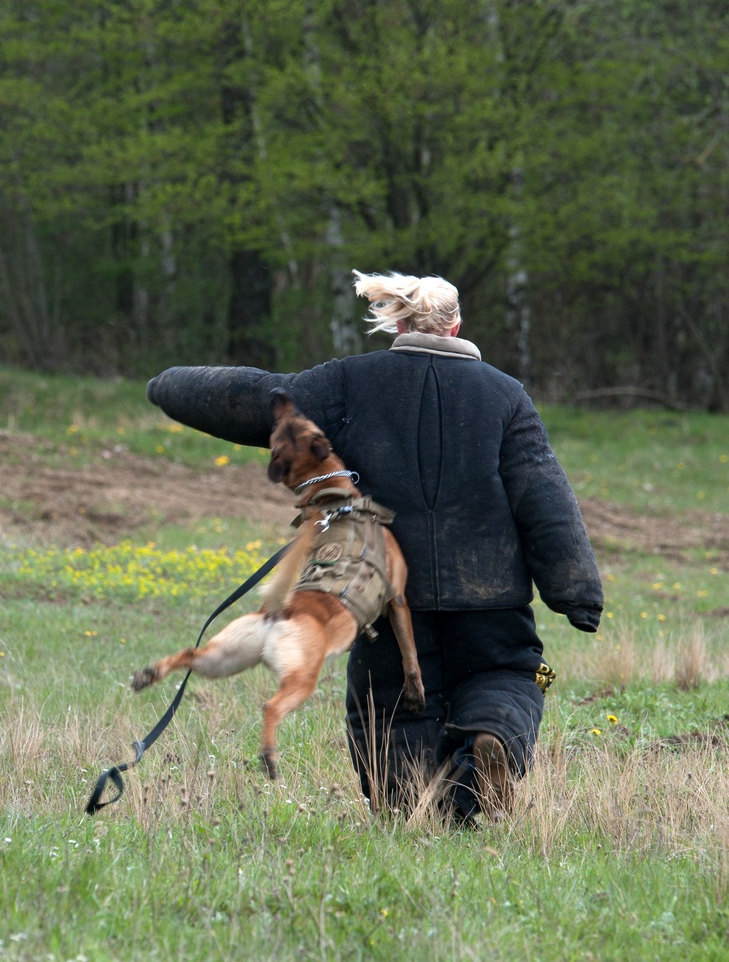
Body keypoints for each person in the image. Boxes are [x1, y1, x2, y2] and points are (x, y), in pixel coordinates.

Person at [146, 270, 602, 822]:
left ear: (399, 322)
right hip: (492, 600)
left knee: (389, 711)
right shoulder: (506, 395)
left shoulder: (349, 382)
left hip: (379, 592)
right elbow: (543, 494)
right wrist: (576, 592)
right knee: (518, 677)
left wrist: (166, 385)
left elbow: (256, 399)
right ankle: (495, 739)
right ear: (457, 325)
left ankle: (412, 807)